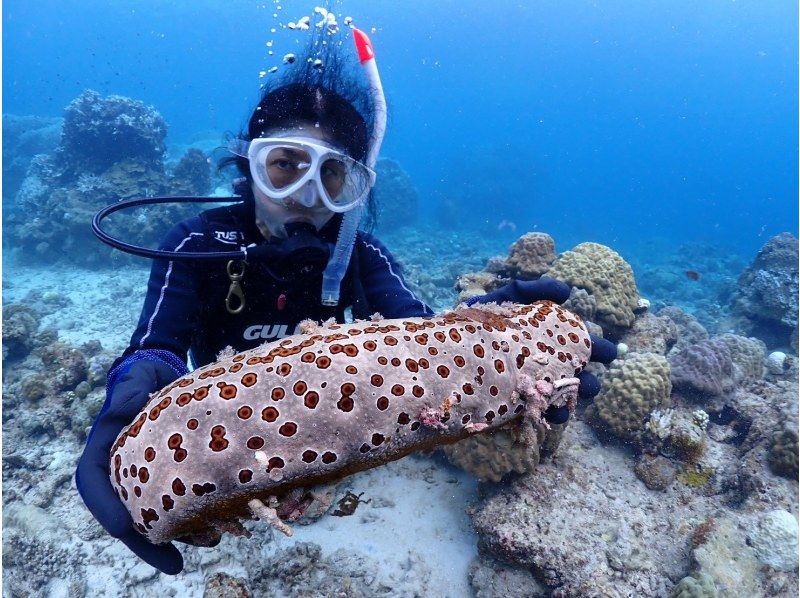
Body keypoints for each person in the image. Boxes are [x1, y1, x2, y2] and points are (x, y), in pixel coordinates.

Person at [75, 30, 615, 575]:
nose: (306, 195)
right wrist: (138, 376)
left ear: (354, 186)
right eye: (284, 164)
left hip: (330, 434)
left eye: (331, 173)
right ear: (249, 164)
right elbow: (158, 346)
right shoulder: (196, 244)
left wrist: (483, 329)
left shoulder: (356, 252)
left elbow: (420, 339)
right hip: (233, 432)